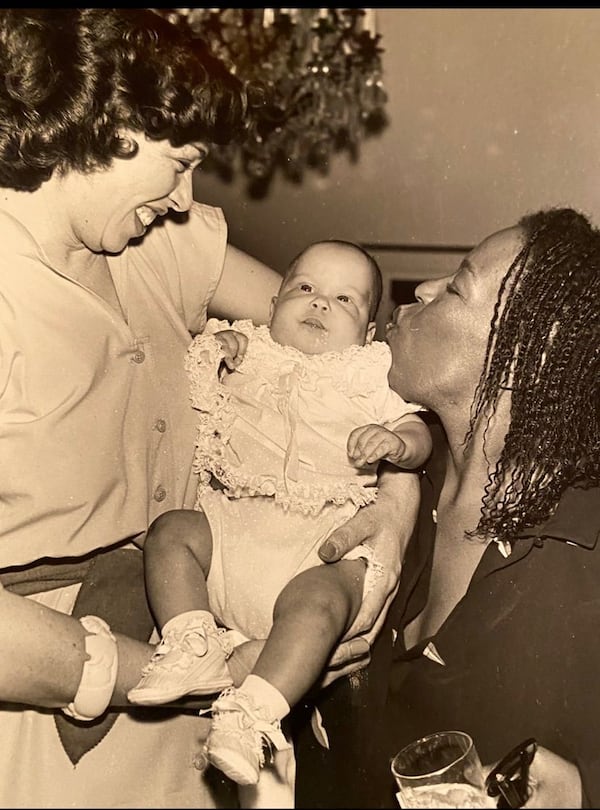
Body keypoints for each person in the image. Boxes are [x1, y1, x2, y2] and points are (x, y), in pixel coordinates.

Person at [0, 10, 419, 808]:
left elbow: (369, 369)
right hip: (46, 732)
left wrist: (392, 514)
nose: (189, 196)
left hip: (209, 705)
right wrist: (171, 669)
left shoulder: (161, 243)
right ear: (110, 124)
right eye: (180, 162)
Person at [303, 206, 600, 808]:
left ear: (530, 353)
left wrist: (583, 792)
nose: (425, 289)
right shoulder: (378, 473)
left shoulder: (584, 554)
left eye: (459, 284)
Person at [125, 240, 432, 789]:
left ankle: (252, 716)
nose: (319, 305)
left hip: (309, 549)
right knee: (171, 533)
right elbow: (207, 365)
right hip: (229, 532)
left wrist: (395, 442)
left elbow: (416, 432)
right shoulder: (250, 351)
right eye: (305, 289)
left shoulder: (369, 373)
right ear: (271, 306)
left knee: (324, 600)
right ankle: (189, 640)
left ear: (367, 335)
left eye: (344, 299)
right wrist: (226, 346)